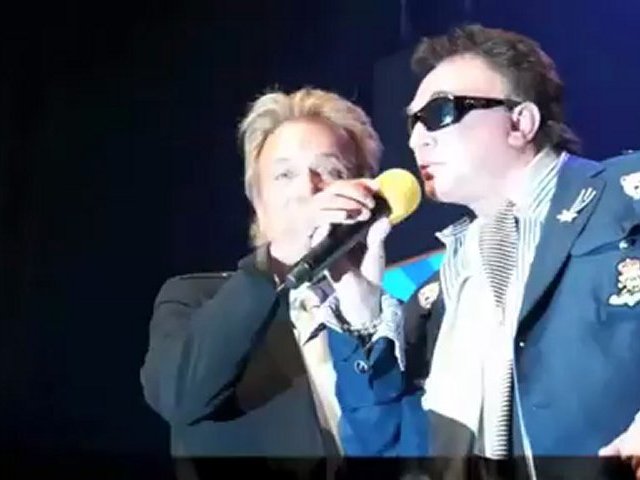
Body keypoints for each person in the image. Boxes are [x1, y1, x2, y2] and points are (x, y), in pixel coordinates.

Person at [337, 24, 640, 479]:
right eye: (412, 123)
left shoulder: (624, 197)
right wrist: (361, 313)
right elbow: (391, 451)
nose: (417, 140)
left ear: (520, 123)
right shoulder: (436, 297)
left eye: (439, 113)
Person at [139, 87, 425, 479]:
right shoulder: (197, 298)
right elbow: (178, 395)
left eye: (331, 171)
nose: (308, 189)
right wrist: (283, 253)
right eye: (285, 174)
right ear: (257, 202)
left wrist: (364, 316)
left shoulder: (395, 316)